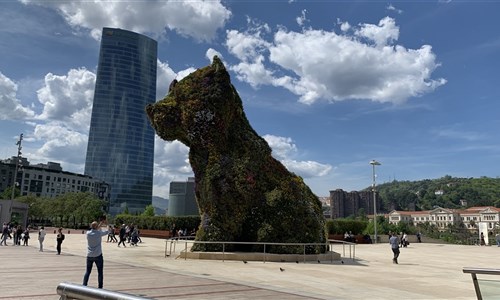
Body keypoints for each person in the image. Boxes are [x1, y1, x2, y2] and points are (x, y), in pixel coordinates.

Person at [82, 220, 109, 289]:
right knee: (100, 272)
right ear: (97, 227)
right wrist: (107, 224)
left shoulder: (88, 233)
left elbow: (94, 229)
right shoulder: (99, 233)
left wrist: (99, 224)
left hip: (90, 255)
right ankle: (100, 287)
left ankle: (84, 285)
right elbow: (107, 231)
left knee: (88, 271)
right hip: (98, 254)